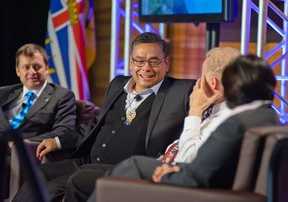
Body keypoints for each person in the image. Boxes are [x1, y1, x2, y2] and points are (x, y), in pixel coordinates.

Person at [12, 32, 195, 202]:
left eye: (154, 62)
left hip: (120, 172)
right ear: (131, 62)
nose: (146, 68)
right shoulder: (117, 84)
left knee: (53, 189)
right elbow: (95, 125)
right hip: (86, 162)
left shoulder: (180, 92)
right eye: (139, 61)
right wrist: (58, 141)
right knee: (39, 174)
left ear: (167, 63)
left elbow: (210, 93)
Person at [88, 54, 279, 201]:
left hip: (195, 190)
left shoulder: (235, 125)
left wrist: (168, 175)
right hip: (204, 180)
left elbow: (194, 177)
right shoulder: (268, 116)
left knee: (130, 166)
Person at [61, 46, 241, 202]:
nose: (197, 83)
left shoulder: (225, 119)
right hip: (161, 166)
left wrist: (194, 113)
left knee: (79, 180)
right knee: (86, 171)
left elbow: (187, 161)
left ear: (212, 82)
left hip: (169, 183)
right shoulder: (217, 109)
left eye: (201, 76)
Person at [0, 43, 76, 199]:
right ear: (17, 71)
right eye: (26, 67)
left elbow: (64, 130)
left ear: (46, 68)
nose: (32, 72)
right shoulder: (4, 93)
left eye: (37, 67)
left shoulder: (62, 96)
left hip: (22, 154)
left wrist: (21, 144)